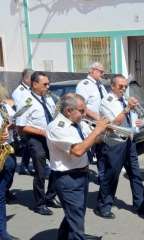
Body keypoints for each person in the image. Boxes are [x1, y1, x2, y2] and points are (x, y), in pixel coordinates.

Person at [46, 93, 107, 240]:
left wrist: (104, 130)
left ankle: (63, 236)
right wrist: (97, 130)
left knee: (75, 213)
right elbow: (78, 150)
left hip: (81, 174)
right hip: (67, 178)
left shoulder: (78, 123)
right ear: (68, 111)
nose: (85, 114)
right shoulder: (57, 127)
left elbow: (93, 140)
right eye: (81, 110)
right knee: (76, 219)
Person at [95, 74, 144, 219]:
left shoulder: (124, 100)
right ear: (113, 86)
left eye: (125, 86)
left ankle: (141, 205)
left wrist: (138, 123)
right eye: (121, 86)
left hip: (129, 141)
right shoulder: (106, 102)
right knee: (112, 176)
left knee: (135, 174)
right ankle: (103, 206)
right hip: (115, 143)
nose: (123, 89)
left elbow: (132, 121)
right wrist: (127, 109)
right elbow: (113, 125)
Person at [16, 71, 60, 215]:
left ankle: (50, 197)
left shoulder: (47, 98)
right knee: (41, 172)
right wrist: (43, 132)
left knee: (56, 168)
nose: (48, 86)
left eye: (48, 83)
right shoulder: (26, 100)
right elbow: (21, 126)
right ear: (35, 84)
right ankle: (39, 203)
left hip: (50, 137)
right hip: (36, 139)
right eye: (45, 84)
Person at [76, 62, 108, 183]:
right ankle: (81, 176)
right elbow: (81, 106)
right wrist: (96, 117)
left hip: (101, 124)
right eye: (101, 71)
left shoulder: (100, 85)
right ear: (92, 71)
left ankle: (102, 176)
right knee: (88, 152)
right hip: (89, 124)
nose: (103, 74)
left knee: (101, 151)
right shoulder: (84, 85)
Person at [0, 85, 19, 240]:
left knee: (0, 196)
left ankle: (2, 232)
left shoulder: (3, 107)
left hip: (5, 150)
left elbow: (10, 119)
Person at [11, 68, 34, 176]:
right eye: (32, 78)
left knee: (29, 146)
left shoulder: (29, 89)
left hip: (30, 121)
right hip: (24, 122)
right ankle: (24, 166)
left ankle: (25, 166)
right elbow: (20, 109)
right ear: (26, 78)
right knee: (27, 145)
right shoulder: (19, 91)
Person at [0, 87, 17, 203]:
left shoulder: (4, 107)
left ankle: (4, 190)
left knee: (10, 168)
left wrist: (11, 125)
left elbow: (14, 118)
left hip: (8, 144)